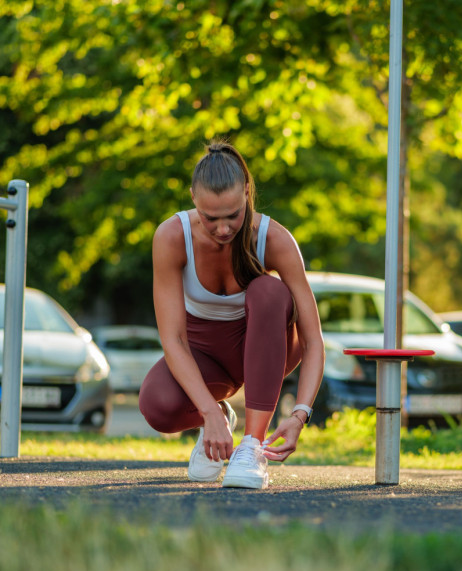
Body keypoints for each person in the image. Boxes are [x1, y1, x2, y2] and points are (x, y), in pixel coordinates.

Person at [138, 139, 325, 489]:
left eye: (233, 216)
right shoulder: (171, 236)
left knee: (267, 289)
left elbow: (313, 341)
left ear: (247, 194)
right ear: (193, 196)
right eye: (211, 218)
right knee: (157, 405)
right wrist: (208, 412)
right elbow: (174, 339)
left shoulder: (275, 239)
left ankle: (251, 445)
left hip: (268, 349)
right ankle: (222, 415)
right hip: (205, 355)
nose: (223, 229)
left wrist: (300, 414)